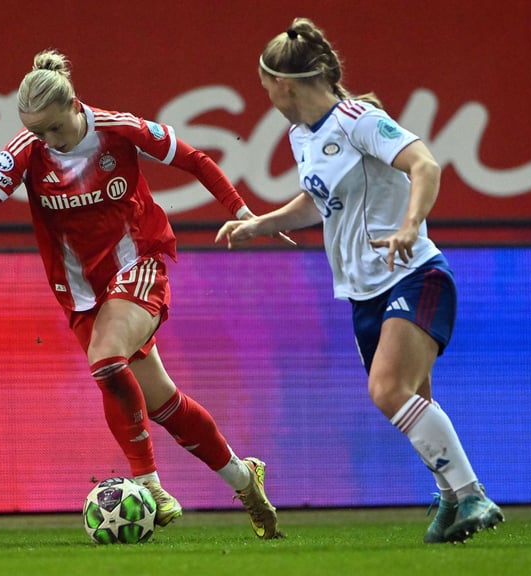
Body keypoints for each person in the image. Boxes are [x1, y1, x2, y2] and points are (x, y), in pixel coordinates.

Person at [0, 49, 282, 539]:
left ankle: (148, 485)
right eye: (35, 130)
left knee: (107, 359)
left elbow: (196, 159)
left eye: (52, 129)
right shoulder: (25, 151)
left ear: (74, 106)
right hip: (81, 292)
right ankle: (244, 478)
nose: (45, 140)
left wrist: (239, 211)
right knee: (161, 403)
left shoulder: (119, 129)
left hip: (139, 264)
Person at [216, 18, 503, 544]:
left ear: (285, 82)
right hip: (362, 292)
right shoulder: (302, 135)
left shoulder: (358, 118)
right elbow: (318, 199)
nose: (264, 93)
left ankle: (472, 495)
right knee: (411, 398)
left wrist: (410, 225)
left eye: (264, 83)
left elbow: (425, 164)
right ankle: (448, 500)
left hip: (414, 273)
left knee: (387, 389)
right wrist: (262, 224)